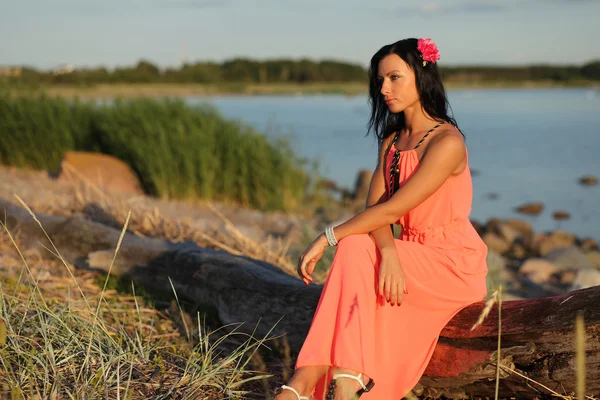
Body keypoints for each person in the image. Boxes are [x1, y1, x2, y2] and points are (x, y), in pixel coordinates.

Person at [274, 37, 488, 400]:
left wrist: (327, 238)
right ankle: (342, 381)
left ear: (422, 76)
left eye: (394, 78)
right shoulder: (392, 141)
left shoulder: (447, 143)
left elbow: (390, 211)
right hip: (408, 255)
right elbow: (375, 212)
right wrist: (389, 252)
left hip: (452, 264)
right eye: (380, 80)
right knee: (358, 245)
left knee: (352, 245)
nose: (384, 88)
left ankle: (307, 383)